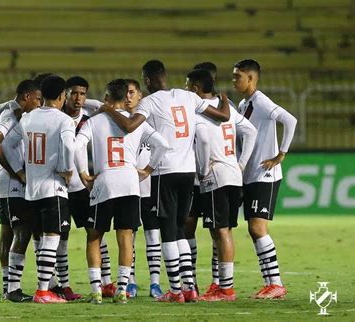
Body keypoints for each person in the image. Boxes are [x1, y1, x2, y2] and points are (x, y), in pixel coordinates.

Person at [102, 60, 230, 303]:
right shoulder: (188, 97)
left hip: (165, 172)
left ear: (147, 81)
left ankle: (175, 290)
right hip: (188, 172)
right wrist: (223, 96)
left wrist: (108, 109)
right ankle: (189, 287)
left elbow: (129, 126)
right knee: (181, 228)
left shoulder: (149, 102)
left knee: (168, 231)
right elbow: (223, 116)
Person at [75, 79, 169, 304]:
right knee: (126, 238)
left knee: (94, 237)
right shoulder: (138, 122)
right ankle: (122, 290)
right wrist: (147, 169)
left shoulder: (94, 121)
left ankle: (97, 290)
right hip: (129, 183)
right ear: (123, 97)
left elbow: (76, 145)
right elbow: (163, 144)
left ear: (107, 98)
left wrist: (83, 173)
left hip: (104, 182)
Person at [186, 69, 257, 301]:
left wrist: (203, 169)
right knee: (222, 231)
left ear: (196, 88)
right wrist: (241, 164)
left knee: (221, 231)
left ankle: (225, 288)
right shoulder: (228, 108)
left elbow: (204, 140)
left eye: (188, 86)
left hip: (215, 176)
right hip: (233, 176)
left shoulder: (200, 113)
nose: (187, 90)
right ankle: (222, 286)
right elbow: (251, 131)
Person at [233, 59, 297, 299]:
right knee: (254, 229)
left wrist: (281, 153)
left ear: (251, 78)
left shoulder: (260, 101)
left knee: (257, 227)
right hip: (250, 174)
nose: (234, 80)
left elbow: (290, 120)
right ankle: (271, 284)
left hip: (265, 174)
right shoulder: (243, 104)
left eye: (238, 76)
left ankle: (276, 284)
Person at [0, 79, 41, 302]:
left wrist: (2, 165)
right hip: (12, 183)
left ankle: (8, 287)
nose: (39, 103)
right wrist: (15, 172)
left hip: (8, 181)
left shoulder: (16, 114)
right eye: (37, 98)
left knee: (8, 232)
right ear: (26, 96)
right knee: (22, 231)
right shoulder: (10, 115)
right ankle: (13, 289)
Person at [19, 75, 76, 304]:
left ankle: (46, 287)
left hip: (31, 189)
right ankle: (43, 291)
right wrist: (67, 170)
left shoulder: (27, 119)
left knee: (42, 240)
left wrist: (22, 171)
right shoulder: (63, 120)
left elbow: (16, 145)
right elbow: (69, 147)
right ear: (62, 96)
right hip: (53, 188)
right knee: (53, 238)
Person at [62, 76, 114, 299]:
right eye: (73, 93)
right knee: (60, 239)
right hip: (60, 187)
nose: (78, 98)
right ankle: (63, 285)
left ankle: (107, 281)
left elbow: (105, 107)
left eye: (82, 94)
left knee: (96, 233)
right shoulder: (56, 117)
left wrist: (88, 101)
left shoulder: (88, 118)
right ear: (65, 94)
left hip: (82, 187)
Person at [123, 79, 163, 298]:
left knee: (152, 234)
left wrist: (148, 169)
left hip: (149, 187)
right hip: (128, 189)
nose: (128, 97)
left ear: (140, 95)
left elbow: (162, 145)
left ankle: (155, 282)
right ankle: (131, 280)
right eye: (125, 93)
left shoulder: (150, 120)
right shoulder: (118, 121)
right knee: (129, 234)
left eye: (132, 93)